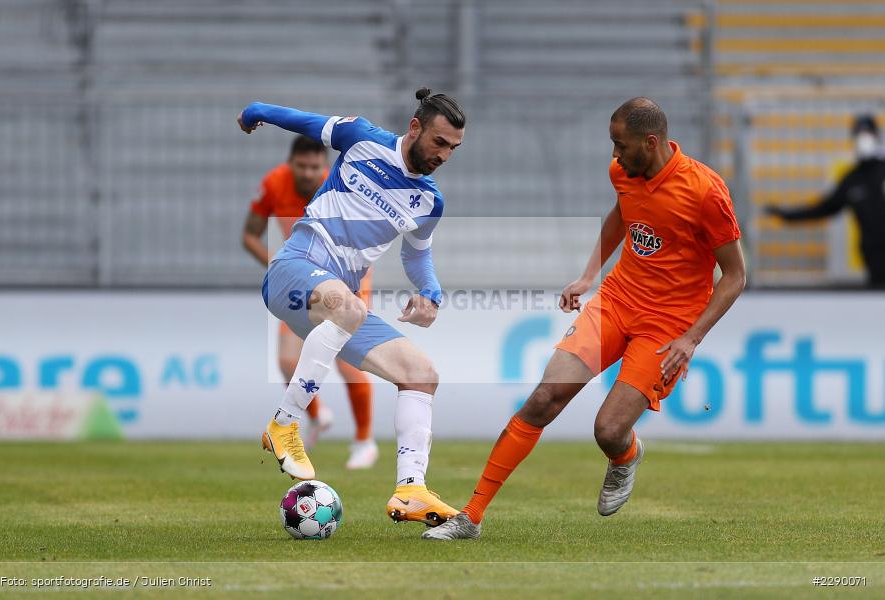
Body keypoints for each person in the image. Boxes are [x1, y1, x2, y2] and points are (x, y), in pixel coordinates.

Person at [423, 97, 746, 540]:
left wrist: (690, 339)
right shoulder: (624, 173)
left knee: (609, 430)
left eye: (620, 145)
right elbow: (623, 216)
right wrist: (588, 275)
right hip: (617, 301)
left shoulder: (706, 192)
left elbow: (735, 276)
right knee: (542, 399)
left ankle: (625, 455)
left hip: (667, 325)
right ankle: (471, 516)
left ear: (650, 143)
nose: (614, 155)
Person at [237, 88, 466, 526]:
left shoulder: (429, 201)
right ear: (415, 127)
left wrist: (431, 293)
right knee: (352, 308)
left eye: (453, 148)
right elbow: (304, 120)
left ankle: (411, 489)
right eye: (439, 142)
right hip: (294, 268)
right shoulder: (363, 138)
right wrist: (258, 111)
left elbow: (416, 256)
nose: (444, 155)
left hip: (335, 306)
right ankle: (284, 424)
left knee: (421, 374)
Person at [242, 135, 378, 469]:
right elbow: (249, 235)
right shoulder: (274, 184)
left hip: (347, 278)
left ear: (325, 167)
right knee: (287, 362)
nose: (307, 173)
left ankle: (364, 441)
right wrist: (280, 265)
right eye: (301, 166)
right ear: (290, 164)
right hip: (302, 279)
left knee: (349, 362)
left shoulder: (340, 190)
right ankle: (317, 415)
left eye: (315, 167)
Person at [766, 114, 885, 289]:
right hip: (874, 257)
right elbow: (824, 208)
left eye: (867, 132)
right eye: (859, 133)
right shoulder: (852, 179)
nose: (863, 138)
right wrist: (787, 215)